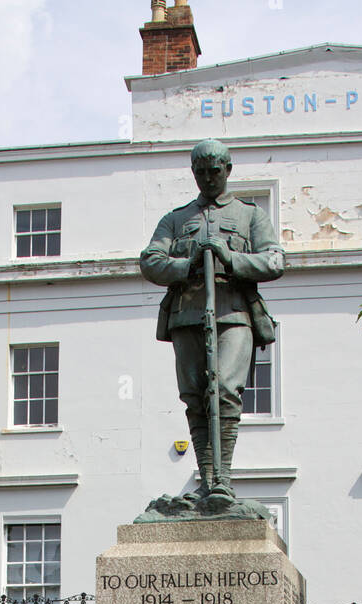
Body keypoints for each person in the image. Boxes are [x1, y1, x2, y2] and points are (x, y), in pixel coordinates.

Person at [140, 139, 285, 500]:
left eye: (214, 172)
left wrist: (232, 257)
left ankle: (223, 477)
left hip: (234, 313)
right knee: (195, 397)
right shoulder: (176, 219)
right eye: (200, 172)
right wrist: (184, 264)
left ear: (228, 170)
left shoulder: (251, 215)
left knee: (224, 393)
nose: (207, 179)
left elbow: (274, 261)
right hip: (187, 315)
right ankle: (207, 479)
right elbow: (150, 261)